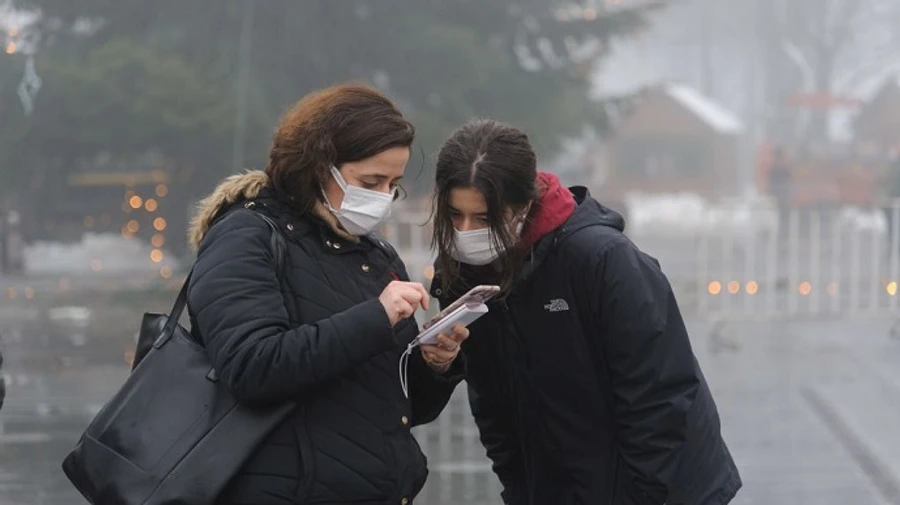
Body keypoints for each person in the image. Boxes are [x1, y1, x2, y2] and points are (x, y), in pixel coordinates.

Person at [428, 119, 741, 505]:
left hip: (662, 488)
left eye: (484, 219)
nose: (465, 231)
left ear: (524, 205)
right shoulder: (462, 275)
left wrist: (638, 498)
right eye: (455, 215)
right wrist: (519, 486)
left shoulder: (603, 260)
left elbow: (660, 397)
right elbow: (492, 397)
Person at [187, 83, 468, 505]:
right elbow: (251, 368)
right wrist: (376, 317)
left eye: (392, 184)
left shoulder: (375, 254)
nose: (381, 198)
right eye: (370, 181)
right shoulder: (246, 236)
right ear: (318, 167)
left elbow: (403, 409)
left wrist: (436, 364)